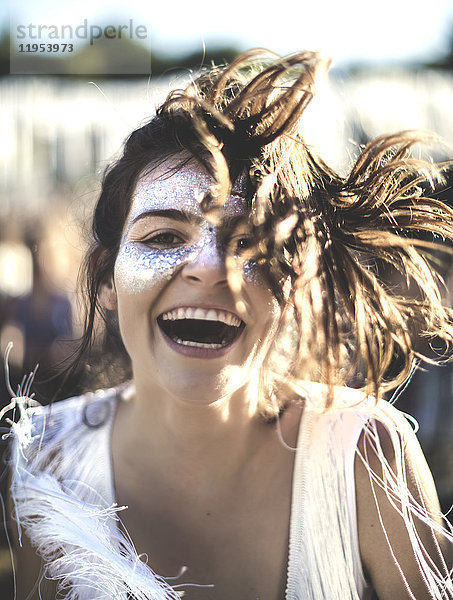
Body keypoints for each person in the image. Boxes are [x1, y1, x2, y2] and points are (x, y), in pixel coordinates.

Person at [7, 49, 453, 600]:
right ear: (105, 278)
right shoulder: (46, 461)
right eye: (163, 238)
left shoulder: (365, 456)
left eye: (250, 245)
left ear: (298, 281)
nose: (210, 269)